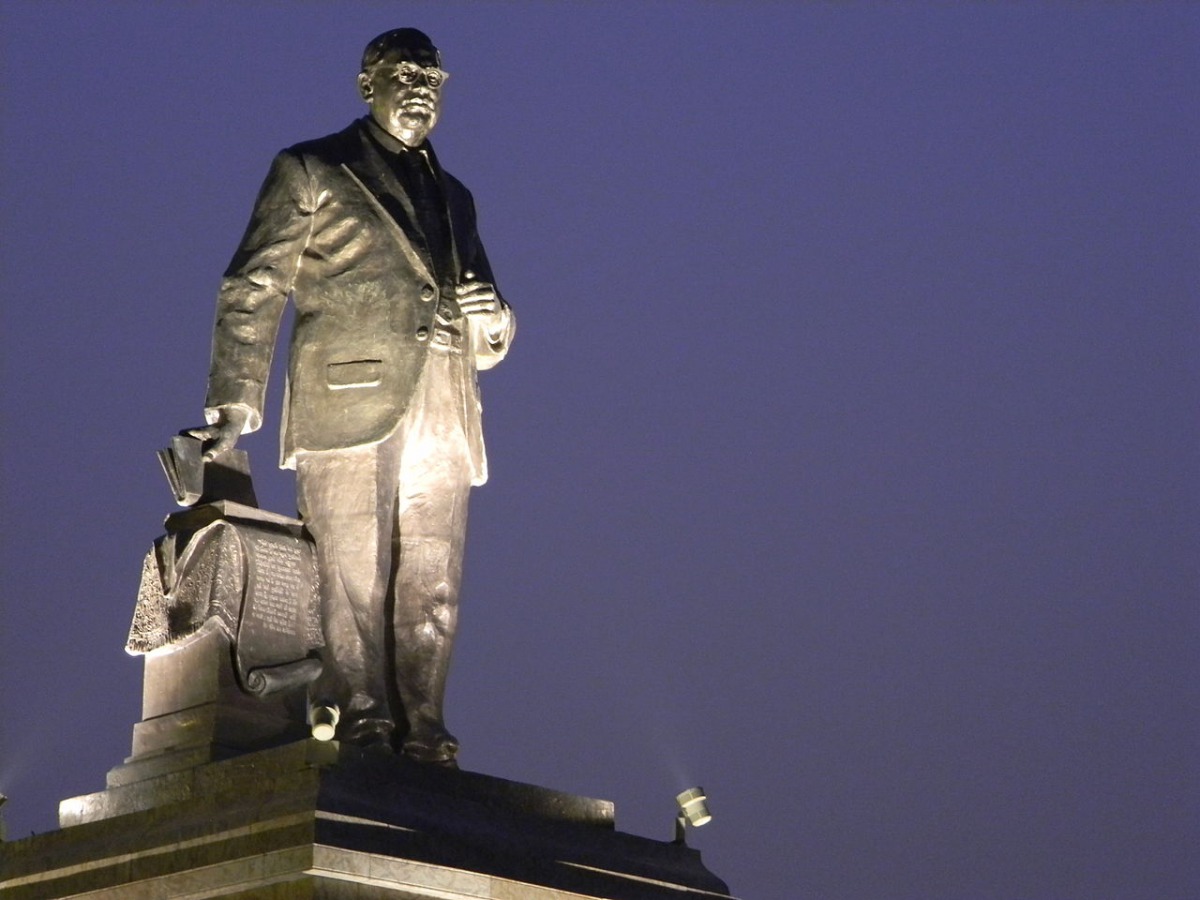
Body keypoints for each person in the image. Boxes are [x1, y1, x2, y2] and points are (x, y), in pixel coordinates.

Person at [190, 28, 515, 765]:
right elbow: (254, 284)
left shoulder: (457, 196)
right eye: (407, 73)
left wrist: (495, 320)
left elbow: (489, 320)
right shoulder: (313, 167)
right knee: (351, 571)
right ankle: (361, 713)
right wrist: (235, 402)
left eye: (434, 76)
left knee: (433, 579)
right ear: (367, 83)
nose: (424, 86)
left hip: (444, 398)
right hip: (347, 398)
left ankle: (425, 724)